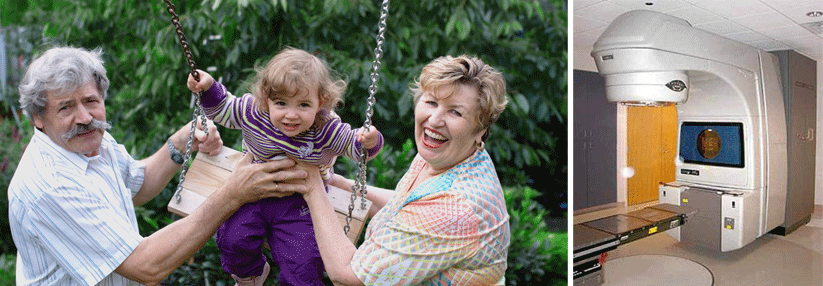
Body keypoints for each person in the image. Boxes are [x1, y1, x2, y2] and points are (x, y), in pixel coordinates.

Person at [9, 46, 308, 286]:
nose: (85, 116)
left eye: (90, 101)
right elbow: (145, 266)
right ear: (37, 117)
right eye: (66, 107)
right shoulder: (48, 185)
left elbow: (137, 185)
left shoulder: (89, 141)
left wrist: (182, 141)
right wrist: (233, 194)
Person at [301, 55, 511, 285]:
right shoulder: (453, 157)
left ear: (480, 130)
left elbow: (350, 275)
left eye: (456, 112)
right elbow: (410, 206)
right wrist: (341, 184)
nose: (435, 119)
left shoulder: (456, 208)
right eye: (431, 102)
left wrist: (311, 183)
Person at [185, 47, 384, 286]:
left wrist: (368, 141)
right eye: (281, 103)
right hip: (254, 189)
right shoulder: (252, 112)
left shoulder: (325, 128)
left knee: (305, 264)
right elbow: (223, 109)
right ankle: (252, 276)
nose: (291, 115)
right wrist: (207, 88)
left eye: (303, 105)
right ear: (266, 99)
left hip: (301, 201)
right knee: (232, 239)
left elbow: (354, 146)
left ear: (320, 102)